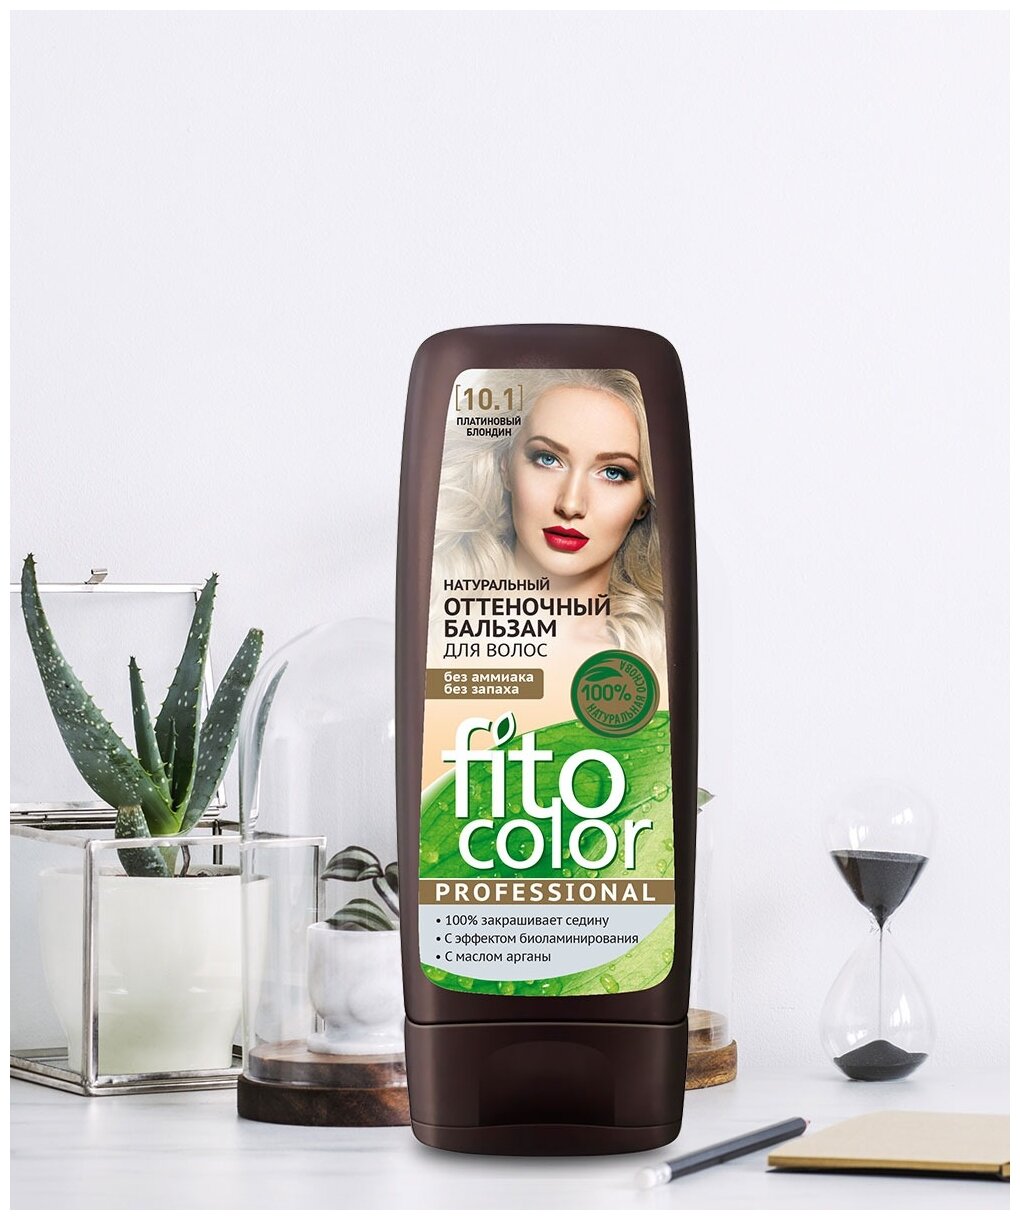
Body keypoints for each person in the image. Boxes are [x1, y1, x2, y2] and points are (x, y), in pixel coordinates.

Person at [434, 368, 664, 670]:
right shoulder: (433, 625)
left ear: (644, 501)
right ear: (505, 466)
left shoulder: (655, 662)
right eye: (547, 459)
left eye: (612, 473)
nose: (570, 504)